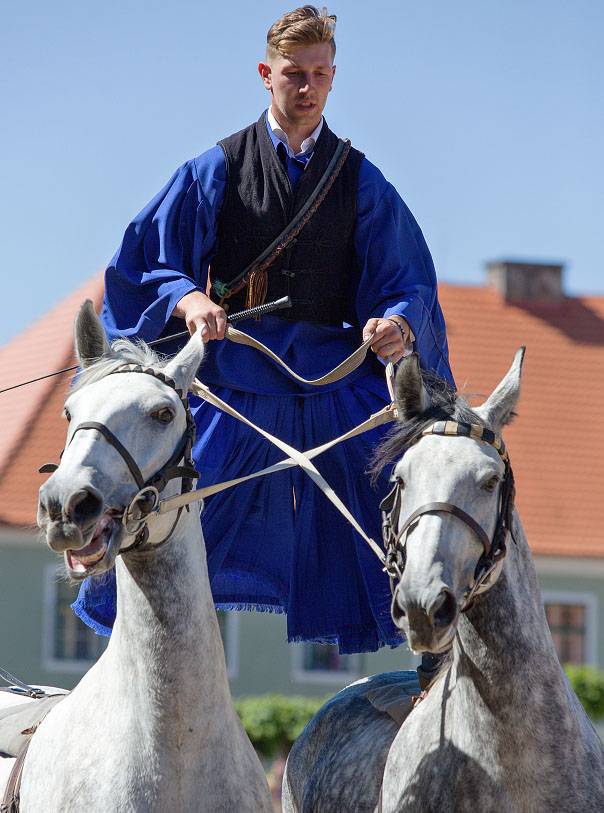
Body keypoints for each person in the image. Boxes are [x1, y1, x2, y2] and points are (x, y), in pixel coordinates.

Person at [72, 6, 453, 655]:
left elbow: (408, 282)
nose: (306, 87)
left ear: (333, 76)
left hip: (330, 382)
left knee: (411, 496)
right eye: (293, 74)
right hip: (232, 377)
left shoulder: (363, 182)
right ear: (265, 74)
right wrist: (188, 296)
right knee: (161, 512)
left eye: (319, 74)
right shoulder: (212, 169)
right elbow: (146, 261)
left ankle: (430, 659)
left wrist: (398, 323)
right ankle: (126, 652)